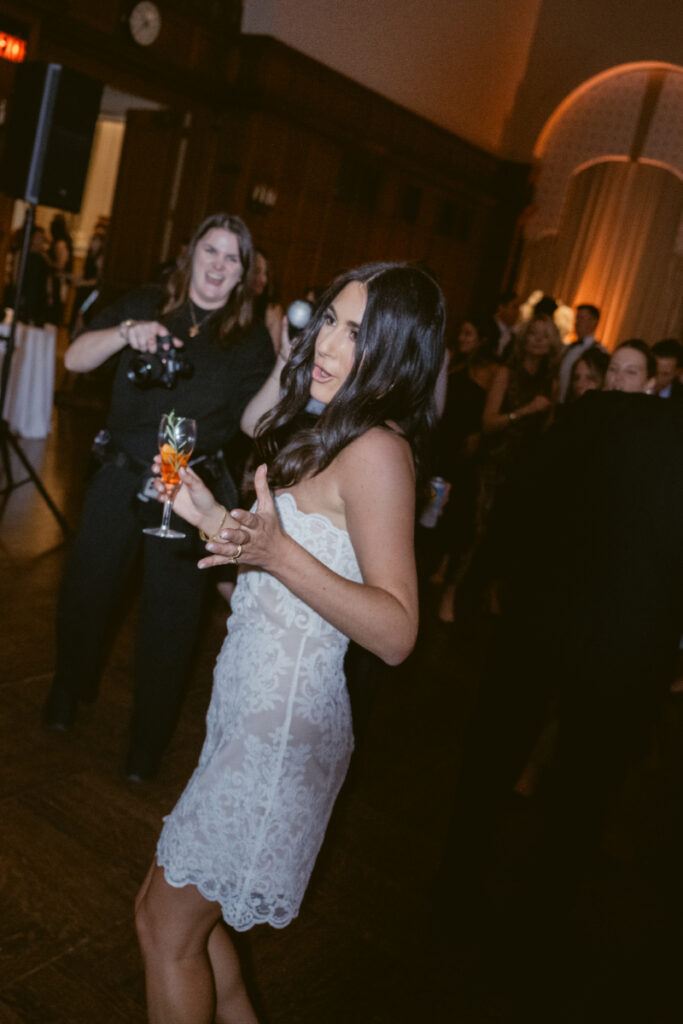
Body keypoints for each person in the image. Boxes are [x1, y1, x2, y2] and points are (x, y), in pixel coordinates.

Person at [134, 262, 445, 1023]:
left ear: (400, 353)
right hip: (248, 712)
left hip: (283, 733)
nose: (330, 344)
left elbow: (398, 631)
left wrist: (277, 555)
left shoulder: (377, 451)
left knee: (162, 928)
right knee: (197, 939)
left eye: (357, 332)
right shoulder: (331, 426)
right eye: (330, 321)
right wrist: (210, 516)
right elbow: (287, 564)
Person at [42, 213, 275, 782]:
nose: (219, 265)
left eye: (232, 257)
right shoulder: (146, 300)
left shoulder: (246, 340)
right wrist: (127, 332)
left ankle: (145, 747)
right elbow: (74, 359)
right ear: (191, 252)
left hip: (193, 494)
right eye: (211, 250)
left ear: (243, 272)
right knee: (86, 592)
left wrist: (288, 365)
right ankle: (68, 689)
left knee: (172, 625)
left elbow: (253, 422)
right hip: (123, 478)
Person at [558, 302, 603, 401]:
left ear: (594, 322)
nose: (577, 322)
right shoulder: (567, 348)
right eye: (577, 318)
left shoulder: (599, 351)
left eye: (581, 318)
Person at [47, 213, 74, 325]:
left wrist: (46, 261)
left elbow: (61, 265)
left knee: (54, 309)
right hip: (58, 280)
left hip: (57, 280)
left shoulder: (60, 243)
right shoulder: (63, 241)